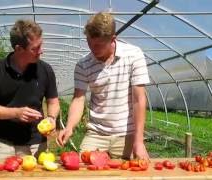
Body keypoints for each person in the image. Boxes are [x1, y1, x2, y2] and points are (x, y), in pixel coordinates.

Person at [57, 12, 150, 160]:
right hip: (96, 133)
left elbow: (139, 99)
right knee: (82, 170)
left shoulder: (134, 55)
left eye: (98, 45)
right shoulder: (83, 65)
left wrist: (138, 142)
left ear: (113, 39)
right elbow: (78, 99)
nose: (93, 49)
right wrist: (70, 127)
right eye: (89, 42)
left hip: (126, 134)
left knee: (132, 172)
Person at [0, 19, 60, 160]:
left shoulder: (45, 70)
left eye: (41, 45)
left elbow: (53, 102)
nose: (41, 51)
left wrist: (52, 118)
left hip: (36, 143)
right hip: (4, 143)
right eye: (35, 48)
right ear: (18, 49)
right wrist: (16, 113)